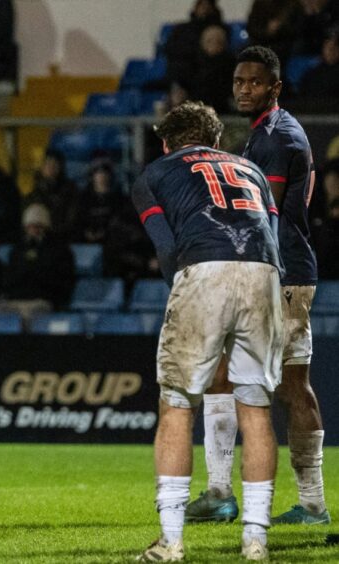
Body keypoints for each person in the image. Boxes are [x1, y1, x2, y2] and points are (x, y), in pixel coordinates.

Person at [187, 45, 331, 527]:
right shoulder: (272, 133)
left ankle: (226, 493)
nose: (244, 89)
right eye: (238, 82)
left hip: (274, 274)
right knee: (287, 384)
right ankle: (304, 501)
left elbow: (259, 217)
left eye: (254, 82)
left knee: (230, 376)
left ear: (275, 86)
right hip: (288, 271)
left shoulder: (272, 139)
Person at [132, 101, 283, 562]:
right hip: (265, 273)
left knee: (177, 405)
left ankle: (171, 541)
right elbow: (271, 235)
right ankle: (255, 539)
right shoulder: (251, 170)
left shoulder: (155, 174)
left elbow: (165, 246)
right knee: (256, 407)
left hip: (204, 269)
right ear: (217, 140)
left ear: (166, 142)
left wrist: (184, 292)